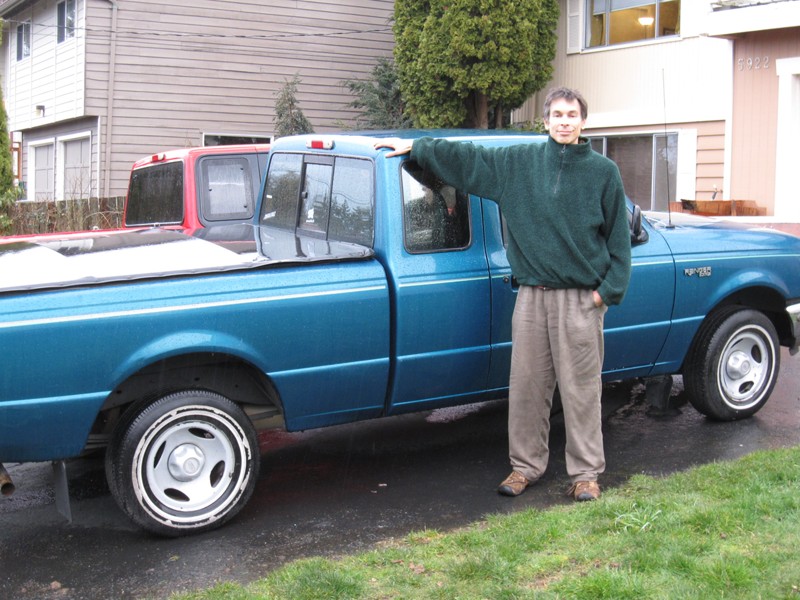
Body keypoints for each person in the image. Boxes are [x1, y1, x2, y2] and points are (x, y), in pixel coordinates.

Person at [376, 87, 632, 502]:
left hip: (580, 300)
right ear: (545, 121)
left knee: (581, 391)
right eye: (557, 115)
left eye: (572, 115)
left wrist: (606, 294)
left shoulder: (603, 173)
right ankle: (525, 467)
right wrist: (419, 147)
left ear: (583, 121)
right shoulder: (519, 163)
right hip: (531, 297)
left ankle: (586, 474)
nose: (564, 122)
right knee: (527, 387)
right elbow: (470, 158)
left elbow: (619, 241)